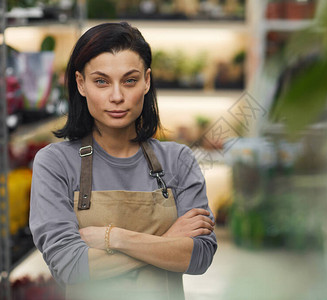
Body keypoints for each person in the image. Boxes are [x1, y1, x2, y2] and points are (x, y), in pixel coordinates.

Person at [29, 22, 217, 300]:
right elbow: (69, 266)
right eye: (101, 81)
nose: (117, 96)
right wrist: (166, 243)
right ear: (81, 84)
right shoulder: (54, 163)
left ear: (147, 81)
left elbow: (199, 257)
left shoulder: (178, 160)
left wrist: (113, 238)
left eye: (129, 80)